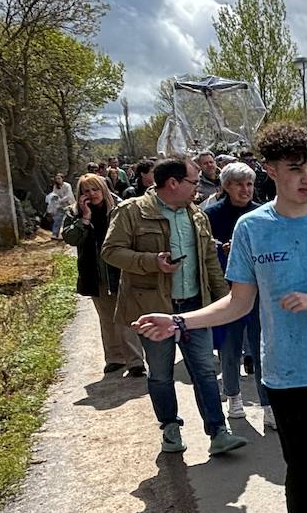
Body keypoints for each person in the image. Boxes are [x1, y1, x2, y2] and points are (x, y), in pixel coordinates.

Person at [136, 125, 307, 513]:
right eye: (295, 170)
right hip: (285, 370)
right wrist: (180, 321)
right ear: (271, 171)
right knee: (301, 464)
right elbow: (238, 302)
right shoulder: (253, 227)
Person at [103, 156, 248, 457]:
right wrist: (149, 263)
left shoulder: (197, 215)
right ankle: (170, 427)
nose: (198, 189)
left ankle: (218, 431)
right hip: (154, 307)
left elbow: (209, 260)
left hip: (194, 307)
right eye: (193, 183)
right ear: (173, 183)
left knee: (205, 371)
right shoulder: (131, 212)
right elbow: (111, 251)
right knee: (160, 373)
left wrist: (227, 301)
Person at [202, 163, 271, 427]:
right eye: (239, 184)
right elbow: (206, 250)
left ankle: (267, 403)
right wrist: (222, 249)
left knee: (261, 347)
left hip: (259, 291)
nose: (245, 189)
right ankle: (233, 396)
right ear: (226, 187)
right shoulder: (211, 215)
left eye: (249, 184)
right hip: (227, 291)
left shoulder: (262, 213)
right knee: (230, 348)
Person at [62, 174, 144, 376]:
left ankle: (135, 362)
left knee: (127, 316)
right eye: (86, 191)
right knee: (106, 318)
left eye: (95, 189)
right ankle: (115, 358)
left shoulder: (121, 208)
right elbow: (70, 238)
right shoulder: (74, 213)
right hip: (94, 273)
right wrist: (85, 218)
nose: (91, 194)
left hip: (121, 271)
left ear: (104, 189)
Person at [45, 174, 73, 240]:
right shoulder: (55, 187)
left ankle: (68, 235)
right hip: (60, 206)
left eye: (59, 178)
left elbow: (69, 195)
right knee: (57, 219)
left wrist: (61, 200)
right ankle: (55, 234)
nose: (58, 180)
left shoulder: (67, 186)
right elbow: (54, 195)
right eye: (56, 179)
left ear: (62, 179)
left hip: (69, 205)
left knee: (69, 220)